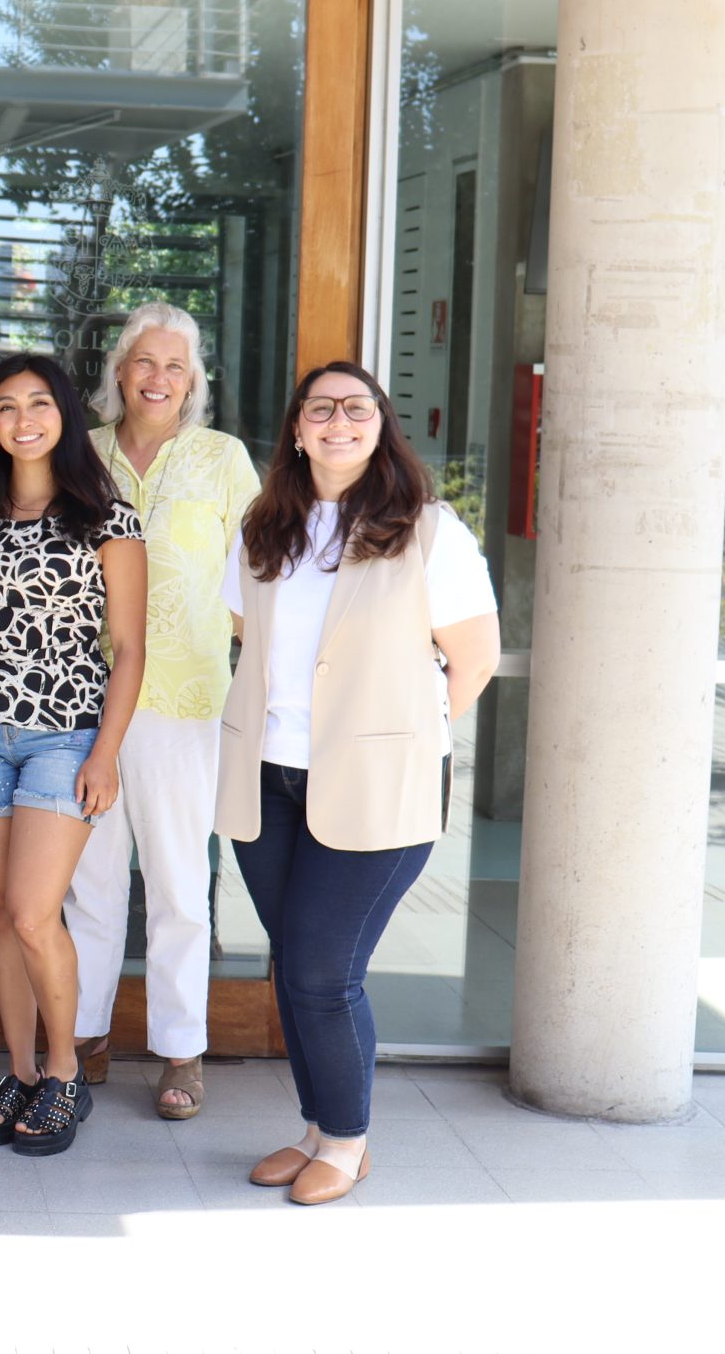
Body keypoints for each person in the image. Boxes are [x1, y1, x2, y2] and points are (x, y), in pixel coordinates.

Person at [221, 361, 499, 1205]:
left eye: (357, 408)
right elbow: (247, 630)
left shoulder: (429, 530)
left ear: (380, 425)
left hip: (377, 788)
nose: (339, 422)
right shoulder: (266, 525)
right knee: (293, 964)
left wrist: (410, 739)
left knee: (324, 971)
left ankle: (348, 1139)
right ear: (297, 430)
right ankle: (316, 1128)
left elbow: (474, 658)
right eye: (321, 410)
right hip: (269, 778)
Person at [0, 355, 145, 1158]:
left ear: (65, 416)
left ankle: (63, 1071)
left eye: (39, 403)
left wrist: (106, 752)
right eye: (6, 407)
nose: (23, 419)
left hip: (67, 736)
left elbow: (128, 648)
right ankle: (18, 1071)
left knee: (38, 910)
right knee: (5, 913)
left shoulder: (108, 518)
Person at [64, 302, 260, 1119]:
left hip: (184, 702)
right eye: (145, 362)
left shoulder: (223, 460)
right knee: (89, 880)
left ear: (194, 380)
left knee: (180, 883)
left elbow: (260, 578)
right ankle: (83, 1034)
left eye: (175, 366)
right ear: (119, 370)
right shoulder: (85, 456)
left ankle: (181, 1051)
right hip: (83, 698)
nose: (158, 378)